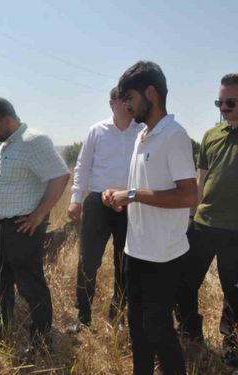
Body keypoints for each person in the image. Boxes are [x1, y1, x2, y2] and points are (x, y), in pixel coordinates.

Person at [103, 61, 197, 375]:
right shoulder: (143, 135)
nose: (126, 105)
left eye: (130, 98)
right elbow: (144, 189)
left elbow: (188, 196)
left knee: (160, 332)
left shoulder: (174, 136)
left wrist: (131, 195)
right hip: (137, 251)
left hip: (163, 256)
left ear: (151, 93)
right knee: (138, 330)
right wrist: (119, 193)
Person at [0, 97, 69, 352]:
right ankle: (0, 333)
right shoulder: (6, 143)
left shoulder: (33, 139)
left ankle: (40, 341)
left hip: (21, 228)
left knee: (30, 286)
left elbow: (61, 176)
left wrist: (39, 215)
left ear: (7, 119)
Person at [66, 87, 143, 332]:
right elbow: (82, 166)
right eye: (125, 100)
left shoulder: (143, 132)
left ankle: (118, 314)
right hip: (98, 202)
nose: (130, 105)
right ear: (113, 104)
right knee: (88, 260)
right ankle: (84, 316)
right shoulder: (96, 131)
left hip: (129, 202)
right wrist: (76, 199)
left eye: (132, 100)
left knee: (125, 261)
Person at [175, 73, 238, 364]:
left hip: (236, 230)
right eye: (219, 103)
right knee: (185, 281)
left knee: (234, 291)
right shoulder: (212, 136)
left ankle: (232, 343)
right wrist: (190, 217)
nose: (223, 109)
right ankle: (190, 333)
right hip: (203, 224)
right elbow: (201, 180)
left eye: (230, 103)